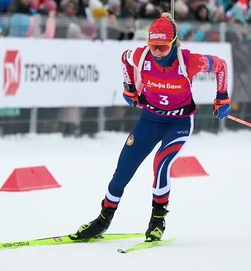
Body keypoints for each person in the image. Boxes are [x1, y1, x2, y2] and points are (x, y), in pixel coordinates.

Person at [70, 12, 230, 243]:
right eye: (152, 45)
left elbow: (221, 66)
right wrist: (129, 88)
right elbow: (124, 58)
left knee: (161, 163)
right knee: (123, 170)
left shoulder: (190, 61)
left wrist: (222, 98)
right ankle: (103, 219)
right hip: (149, 120)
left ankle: (157, 221)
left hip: (178, 123)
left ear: (174, 44)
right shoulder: (141, 55)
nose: (156, 52)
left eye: (162, 47)